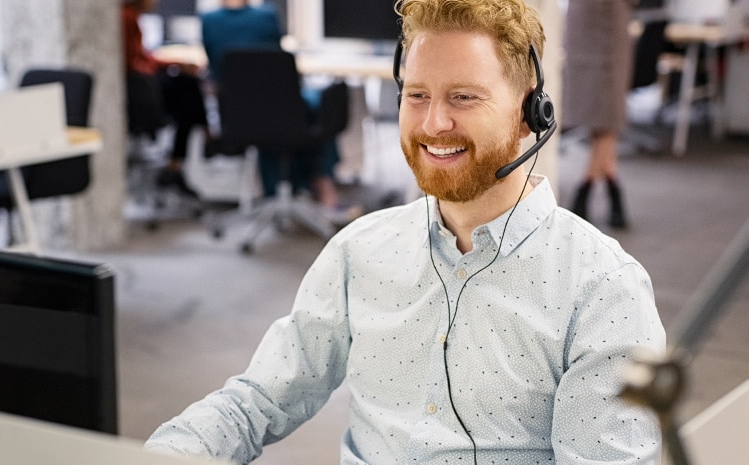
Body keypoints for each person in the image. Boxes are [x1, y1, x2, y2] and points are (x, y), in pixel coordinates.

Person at [145, 0, 666, 463]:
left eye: (463, 97)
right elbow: (257, 400)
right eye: (416, 95)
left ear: (530, 110)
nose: (433, 123)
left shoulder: (602, 289)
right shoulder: (359, 251)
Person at [200, 0, 361, 224]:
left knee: (275, 118)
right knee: (315, 106)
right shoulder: (266, 16)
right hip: (280, 111)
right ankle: (323, 186)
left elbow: (215, 68)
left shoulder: (208, 21)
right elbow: (272, 60)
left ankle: (278, 191)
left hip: (238, 117)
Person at [122, 0, 208, 197]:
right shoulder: (127, 18)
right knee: (188, 92)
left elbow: (141, 58)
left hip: (144, 88)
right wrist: (174, 62)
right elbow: (136, 63)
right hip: (142, 96)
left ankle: (178, 162)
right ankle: (204, 138)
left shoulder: (131, 17)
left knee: (188, 91)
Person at [563, 0, 635, 228]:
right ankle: (598, 188)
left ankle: (588, 190)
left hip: (589, 24)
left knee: (603, 120)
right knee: (605, 118)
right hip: (602, 27)